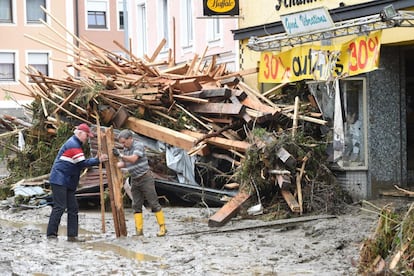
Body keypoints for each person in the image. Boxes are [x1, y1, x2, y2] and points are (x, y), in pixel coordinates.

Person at [46, 123, 108, 242]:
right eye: (86, 135)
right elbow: (82, 163)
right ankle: (51, 235)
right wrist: (98, 160)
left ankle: (72, 236)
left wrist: (96, 159)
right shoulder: (73, 145)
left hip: (66, 181)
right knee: (60, 207)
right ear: (79, 133)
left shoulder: (75, 143)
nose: (87, 138)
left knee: (73, 208)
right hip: (60, 180)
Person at [113, 129, 167, 237]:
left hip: (145, 178)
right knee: (136, 205)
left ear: (130, 139)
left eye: (124, 142)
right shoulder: (126, 149)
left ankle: (163, 228)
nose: (123, 144)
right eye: (121, 143)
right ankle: (139, 230)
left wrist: (120, 155)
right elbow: (125, 163)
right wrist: (114, 164)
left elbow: (133, 159)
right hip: (135, 179)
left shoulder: (138, 146)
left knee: (153, 203)